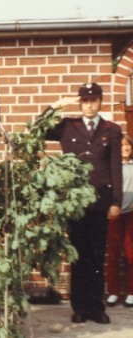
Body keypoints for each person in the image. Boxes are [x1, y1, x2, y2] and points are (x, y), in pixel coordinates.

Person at [43, 83, 122, 324]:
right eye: (85, 101)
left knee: (97, 255)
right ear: (80, 103)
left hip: (100, 202)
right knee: (77, 256)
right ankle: (79, 307)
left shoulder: (112, 130)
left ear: (101, 102)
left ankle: (96, 307)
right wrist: (55, 106)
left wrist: (116, 201)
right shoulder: (68, 126)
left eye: (94, 100)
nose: (90, 105)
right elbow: (38, 129)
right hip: (74, 204)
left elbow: (115, 168)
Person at [105, 134, 133, 307]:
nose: (125, 148)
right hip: (115, 215)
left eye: (128, 146)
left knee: (131, 255)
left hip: (131, 215)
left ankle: (131, 292)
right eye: (122, 146)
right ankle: (113, 292)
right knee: (113, 254)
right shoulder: (112, 168)